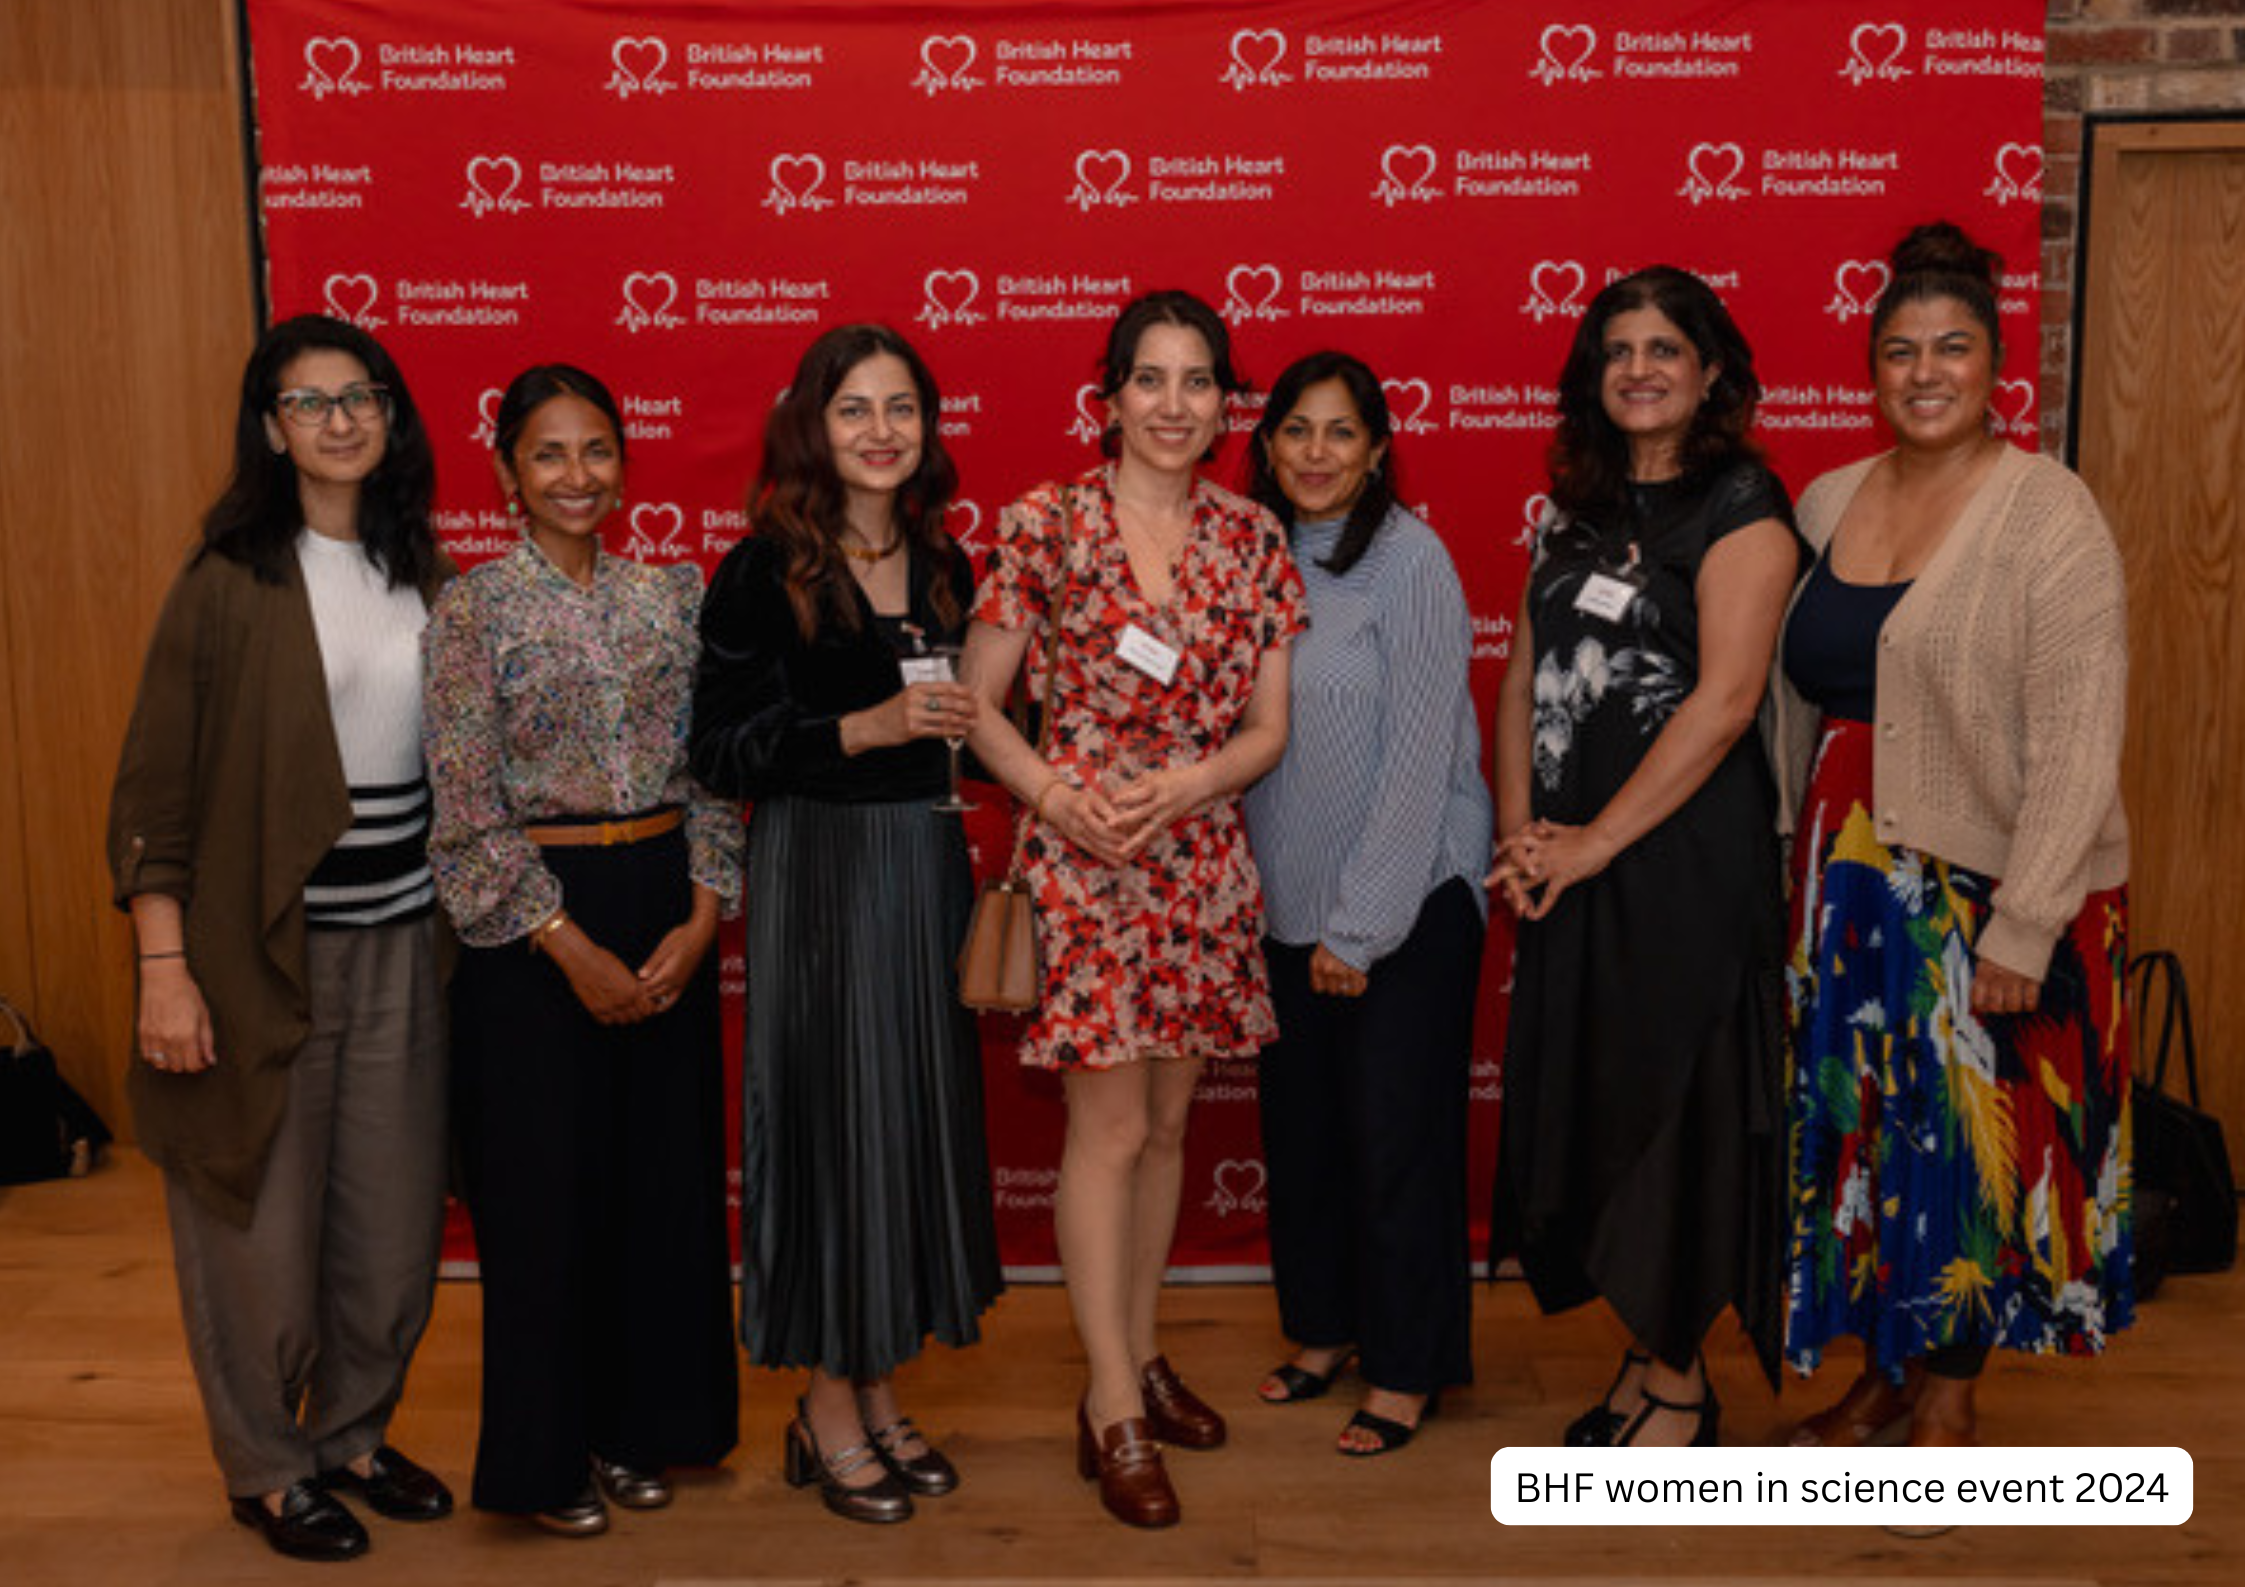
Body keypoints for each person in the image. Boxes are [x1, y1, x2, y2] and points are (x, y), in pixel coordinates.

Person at [1770, 222, 2133, 1451]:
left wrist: (2026, 919)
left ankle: (1949, 1402)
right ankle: (1881, 1377)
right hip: (1849, 879)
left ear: (1995, 368)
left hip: (1983, 886)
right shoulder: (1826, 499)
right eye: (1898, 352)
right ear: (1869, 370)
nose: (1924, 372)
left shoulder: (2046, 512)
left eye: (1952, 348)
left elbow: (2082, 732)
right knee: (1868, 1138)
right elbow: (1798, 692)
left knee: (1968, 1152)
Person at [107, 314, 454, 1562]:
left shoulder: (426, 568)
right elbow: (153, 797)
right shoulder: (228, 580)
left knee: (391, 1223)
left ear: (391, 414)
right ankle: (263, 1465)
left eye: (362, 395)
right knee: (254, 1228)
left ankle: (352, 1436)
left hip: (405, 946)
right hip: (261, 959)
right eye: (310, 403)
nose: (342, 419)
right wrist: (165, 970)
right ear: (270, 429)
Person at [960, 289, 1305, 1527]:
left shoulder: (1255, 538)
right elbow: (975, 700)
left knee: (1166, 1133)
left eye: (1198, 380)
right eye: (1149, 380)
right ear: (1109, 400)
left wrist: (1194, 783)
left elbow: (1268, 729)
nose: (1174, 404)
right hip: (1089, 861)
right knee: (1104, 1137)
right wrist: (1056, 796)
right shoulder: (1045, 524)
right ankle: (1109, 1399)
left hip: (1201, 860)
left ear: (1225, 402)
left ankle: (1141, 1350)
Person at [688, 324, 1002, 1526]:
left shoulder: (946, 566)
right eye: (856, 409)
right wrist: (855, 733)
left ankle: (875, 1382)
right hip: (820, 873)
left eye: (903, 409)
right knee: (835, 1127)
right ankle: (825, 1400)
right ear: (813, 429)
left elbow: (987, 715)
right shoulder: (762, 568)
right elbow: (717, 749)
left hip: (925, 866)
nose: (882, 431)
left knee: (905, 1124)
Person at [423, 364, 740, 1537]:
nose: (576, 475)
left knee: (655, 1190)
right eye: (549, 454)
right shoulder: (471, 610)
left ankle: (641, 1428)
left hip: (661, 898)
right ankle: (543, 1459)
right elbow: (461, 812)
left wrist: (701, 915)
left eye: (597, 450)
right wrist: (565, 941)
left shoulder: (670, 598)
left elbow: (709, 773)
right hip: (531, 922)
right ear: (507, 472)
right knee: (543, 1200)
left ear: (624, 463)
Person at [1488, 267, 1800, 1447]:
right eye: (1616, 350)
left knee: (1675, 1108)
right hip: (1571, 858)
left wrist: (1593, 842)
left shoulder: (1743, 506)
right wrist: (1524, 832)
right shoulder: (1574, 507)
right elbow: (1521, 675)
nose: (1639, 368)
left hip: (1678, 865)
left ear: (1710, 370)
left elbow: (1722, 704)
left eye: (1665, 348)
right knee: (1606, 1103)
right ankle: (1642, 1357)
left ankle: (1679, 1380)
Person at [1240, 351, 1492, 1457]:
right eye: (1295, 430)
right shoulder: (1247, 553)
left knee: (1395, 1140)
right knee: (1304, 1138)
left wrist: (1362, 923)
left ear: (1379, 448)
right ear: (1266, 444)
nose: (1315, 453)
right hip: (1279, 903)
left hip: (1405, 899)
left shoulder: (1410, 560)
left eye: (1340, 433)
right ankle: (1326, 1327)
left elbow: (1421, 757)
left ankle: (1405, 1363)